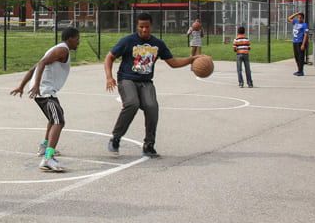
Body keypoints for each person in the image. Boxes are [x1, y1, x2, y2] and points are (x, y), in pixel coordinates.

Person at [104, 12, 197, 157]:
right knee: (132, 103)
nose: (144, 30)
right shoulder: (128, 41)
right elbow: (109, 57)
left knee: (152, 107)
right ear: (137, 26)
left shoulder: (158, 44)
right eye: (141, 27)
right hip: (127, 79)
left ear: (151, 26)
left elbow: (173, 63)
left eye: (147, 27)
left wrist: (191, 59)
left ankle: (149, 145)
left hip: (146, 82)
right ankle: (116, 138)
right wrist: (109, 77)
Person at [10, 27, 81, 172]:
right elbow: (41, 64)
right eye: (77, 38)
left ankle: (44, 147)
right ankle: (48, 158)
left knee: (53, 117)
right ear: (70, 38)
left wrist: (21, 86)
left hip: (46, 91)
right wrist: (36, 85)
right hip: (44, 91)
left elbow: (34, 67)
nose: (78, 42)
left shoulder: (57, 50)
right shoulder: (62, 50)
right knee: (58, 121)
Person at [288, 11, 309, 76]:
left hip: (300, 42)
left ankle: (301, 71)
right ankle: (299, 70)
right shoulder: (295, 22)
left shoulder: (305, 25)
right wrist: (297, 13)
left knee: (301, 58)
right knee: (296, 57)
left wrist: (303, 44)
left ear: (303, 18)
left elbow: (306, 35)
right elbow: (289, 18)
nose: (299, 19)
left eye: (300, 18)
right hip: (295, 42)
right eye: (298, 17)